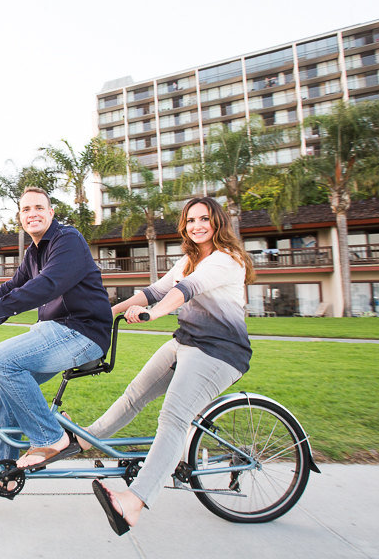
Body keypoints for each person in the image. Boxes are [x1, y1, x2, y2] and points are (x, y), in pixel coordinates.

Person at [84, 196, 255, 536]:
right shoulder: (189, 259)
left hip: (220, 351)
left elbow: (184, 292)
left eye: (204, 219)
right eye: (191, 220)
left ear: (217, 222)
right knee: (133, 396)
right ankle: (80, 441)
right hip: (186, 341)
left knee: (174, 417)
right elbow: (154, 290)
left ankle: (133, 503)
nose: (197, 226)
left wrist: (156, 313)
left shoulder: (227, 259)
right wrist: (107, 314)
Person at [0, 187, 112, 480]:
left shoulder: (68, 240)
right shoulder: (33, 252)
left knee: (2, 359)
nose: (32, 213)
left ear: (51, 213)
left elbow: (46, 285)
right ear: (20, 218)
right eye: (26, 209)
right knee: (4, 384)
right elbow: (12, 287)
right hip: (57, 330)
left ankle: (51, 438)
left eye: (39, 207)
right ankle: (4, 469)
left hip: (83, 331)